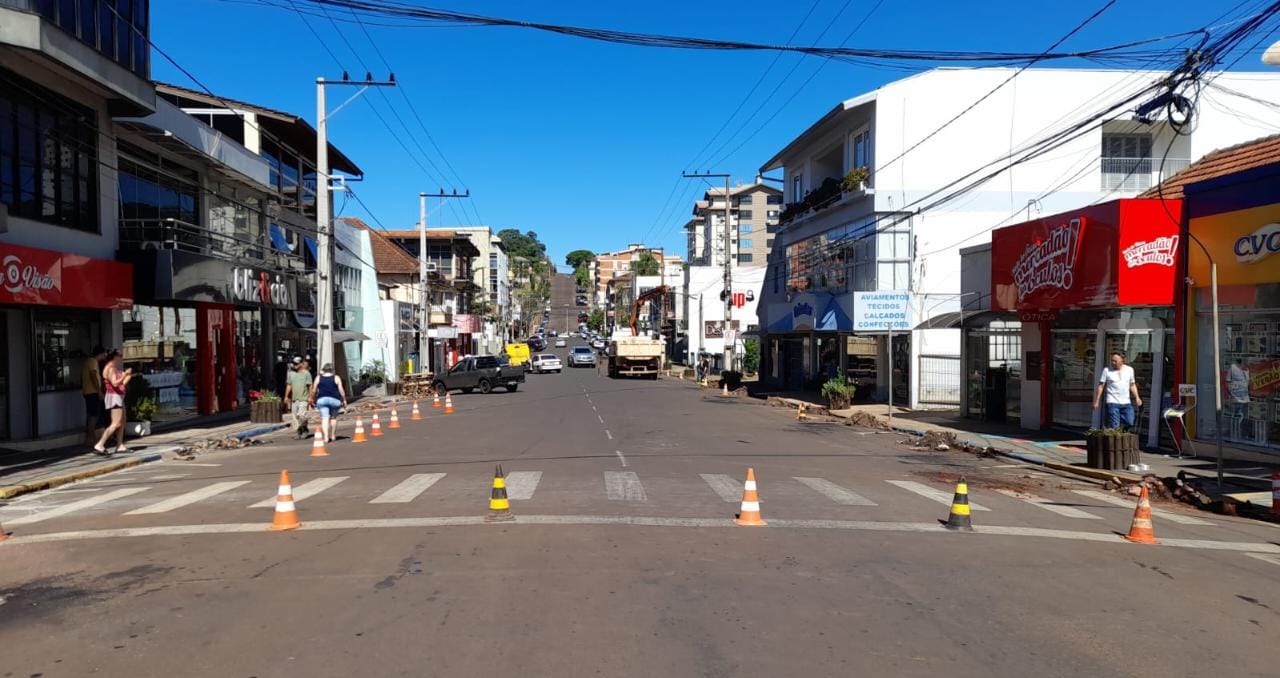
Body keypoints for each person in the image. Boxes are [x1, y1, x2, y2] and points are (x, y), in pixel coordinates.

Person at [94, 350, 133, 455]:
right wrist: (125, 375)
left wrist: (128, 376)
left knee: (122, 421)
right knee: (116, 423)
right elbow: (115, 383)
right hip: (114, 397)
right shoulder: (110, 368)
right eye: (119, 355)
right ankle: (100, 444)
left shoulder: (113, 368)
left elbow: (121, 384)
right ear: (114, 357)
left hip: (119, 396)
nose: (121, 357)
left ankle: (120, 445)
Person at [1093, 352, 1142, 430]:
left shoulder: (1129, 370)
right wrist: (1097, 401)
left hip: (1126, 402)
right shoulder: (1107, 370)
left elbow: (1132, 385)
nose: (1113, 363)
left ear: (1122, 360)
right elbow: (1101, 386)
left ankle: (1120, 432)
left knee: (1130, 422)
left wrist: (1137, 397)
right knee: (1115, 425)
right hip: (1112, 401)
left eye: (1115, 361)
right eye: (1112, 360)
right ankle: (1116, 433)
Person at [309, 363, 347, 444]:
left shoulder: (318, 378)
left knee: (325, 418)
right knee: (333, 418)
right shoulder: (336, 378)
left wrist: (312, 399)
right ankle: (333, 435)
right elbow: (341, 390)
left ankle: (326, 437)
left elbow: (314, 390)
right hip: (335, 400)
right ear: (332, 370)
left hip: (322, 400)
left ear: (324, 370)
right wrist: (344, 400)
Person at [82, 344, 107, 446]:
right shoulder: (92, 361)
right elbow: (93, 376)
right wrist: (99, 391)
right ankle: (91, 438)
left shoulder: (89, 361)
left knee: (91, 415)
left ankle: (89, 438)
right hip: (92, 392)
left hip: (88, 391)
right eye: (104, 354)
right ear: (100, 353)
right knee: (94, 416)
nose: (104, 356)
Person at [284, 359, 314, 439]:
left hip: (303, 399)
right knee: (295, 417)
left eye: (296, 363)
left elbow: (310, 386)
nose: (295, 365)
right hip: (294, 399)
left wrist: (310, 397)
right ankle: (299, 432)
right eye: (294, 363)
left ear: (301, 364)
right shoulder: (291, 374)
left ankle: (305, 429)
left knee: (302, 415)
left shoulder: (307, 373)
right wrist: (286, 396)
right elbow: (289, 385)